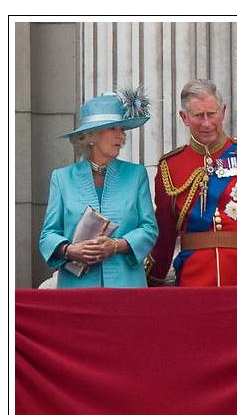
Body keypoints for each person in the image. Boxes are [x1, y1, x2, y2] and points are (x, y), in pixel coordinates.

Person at [148, 79, 237, 286]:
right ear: (184, 117)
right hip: (193, 279)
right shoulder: (170, 166)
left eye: (212, 114)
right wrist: (151, 280)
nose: (207, 123)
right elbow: (164, 235)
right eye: (198, 116)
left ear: (222, 112)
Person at [39, 90, 158, 288]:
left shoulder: (136, 175)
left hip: (126, 287)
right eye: (113, 129)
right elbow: (48, 236)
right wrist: (70, 250)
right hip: (78, 289)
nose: (121, 136)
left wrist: (117, 246)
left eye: (122, 130)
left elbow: (149, 229)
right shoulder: (62, 178)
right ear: (91, 136)